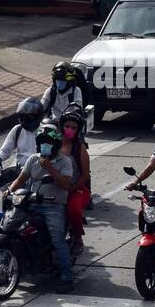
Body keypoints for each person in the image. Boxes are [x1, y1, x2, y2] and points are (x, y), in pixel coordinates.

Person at [7, 123, 76, 290]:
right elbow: (21, 179)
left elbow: (67, 184)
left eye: (49, 142)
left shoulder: (65, 161)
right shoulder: (33, 159)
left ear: (56, 145)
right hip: (31, 202)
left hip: (53, 206)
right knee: (12, 226)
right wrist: (9, 191)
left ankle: (67, 276)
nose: (45, 145)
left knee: (57, 238)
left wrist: (50, 169)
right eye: (42, 141)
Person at [0, 96, 44, 186]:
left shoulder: (45, 132)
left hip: (38, 174)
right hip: (20, 171)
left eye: (29, 117)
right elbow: (5, 150)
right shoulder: (17, 130)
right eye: (22, 116)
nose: (25, 120)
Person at [60, 105, 92, 258]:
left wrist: (70, 189)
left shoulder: (80, 148)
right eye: (67, 126)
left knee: (73, 209)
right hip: (55, 187)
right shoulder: (52, 144)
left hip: (77, 189)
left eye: (73, 127)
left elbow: (85, 176)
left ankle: (78, 238)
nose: (69, 130)